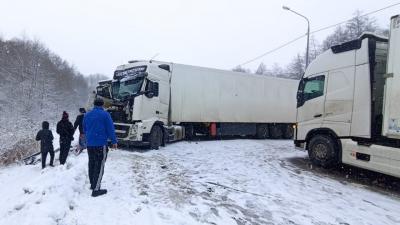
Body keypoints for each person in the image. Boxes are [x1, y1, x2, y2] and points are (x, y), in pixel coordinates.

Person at [83, 98, 117, 197]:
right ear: (102, 105)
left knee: (92, 163)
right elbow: (110, 129)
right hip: (100, 144)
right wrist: (114, 141)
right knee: (100, 165)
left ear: (94, 104)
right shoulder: (105, 115)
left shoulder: (87, 115)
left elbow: (84, 128)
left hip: (90, 144)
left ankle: (92, 184)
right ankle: (96, 189)